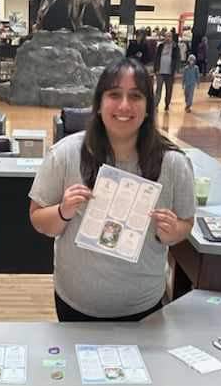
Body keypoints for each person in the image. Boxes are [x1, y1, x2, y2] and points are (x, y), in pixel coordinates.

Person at [29, 58, 196, 322]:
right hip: (75, 303)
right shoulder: (65, 155)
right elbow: (38, 220)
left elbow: (187, 222)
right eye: (114, 94)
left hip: (144, 306)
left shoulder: (174, 163)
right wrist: (63, 211)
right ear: (98, 104)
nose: (124, 106)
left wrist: (174, 231)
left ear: (149, 108)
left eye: (136, 96)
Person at [153, 30, 180, 111]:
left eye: (169, 36)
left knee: (169, 90)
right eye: (166, 36)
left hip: (170, 73)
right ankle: (155, 105)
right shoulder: (160, 46)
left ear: (172, 37)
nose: (167, 38)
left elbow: (177, 59)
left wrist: (176, 70)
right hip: (160, 72)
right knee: (158, 89)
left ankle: (167, 104)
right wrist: (156, 69)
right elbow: (156, 58)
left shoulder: (175, 47)